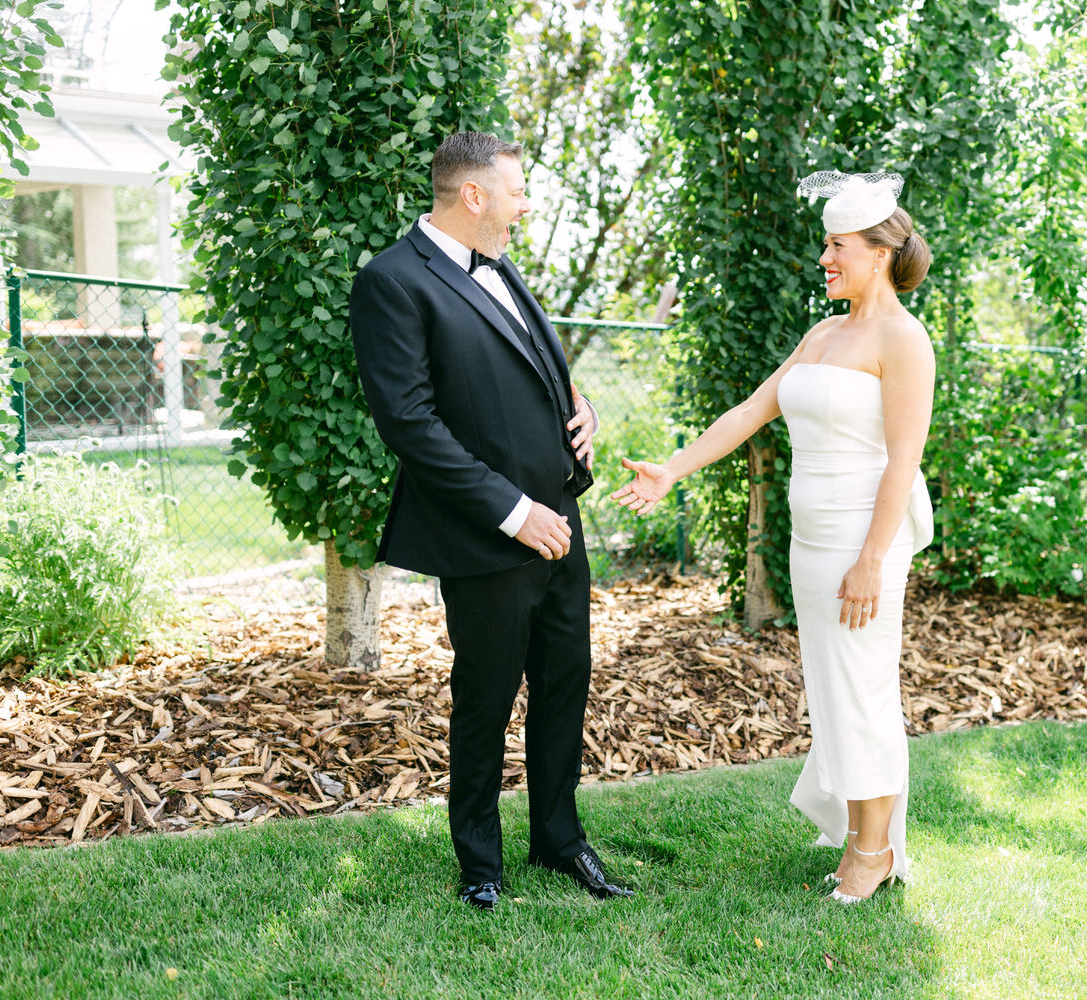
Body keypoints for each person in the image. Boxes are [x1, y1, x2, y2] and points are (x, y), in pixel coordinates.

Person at [611, 171, 934, 904]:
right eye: (825, 244)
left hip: (865, 544)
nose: (825, 257)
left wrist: (871, 559)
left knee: (864, 691)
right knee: (833, 688)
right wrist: (674, 469)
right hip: (812, 541)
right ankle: (859, 837)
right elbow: (755, 408)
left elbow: (903, 462)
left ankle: (874, 852)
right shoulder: (824, 332)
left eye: (837, 246)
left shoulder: (903, 340)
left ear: (880, 252)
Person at [350, 131, 632, 908]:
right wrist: (515, 515)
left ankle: (560, 840)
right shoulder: (392, 281)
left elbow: (529, 376)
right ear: (473, 195)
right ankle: (480, 861)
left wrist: (583, 413)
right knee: (486, 696)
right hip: (488, 537)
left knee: (564, 684)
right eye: (517, 190)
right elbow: (410, 425)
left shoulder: (503, 268)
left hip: (561, 526)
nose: (526, 203)